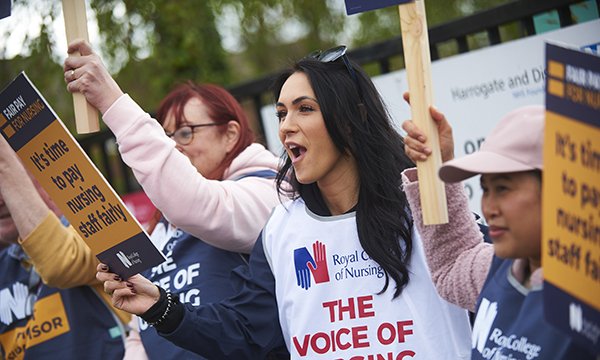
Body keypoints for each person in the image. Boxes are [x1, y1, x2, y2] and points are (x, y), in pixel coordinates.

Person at [95, 45, 472, 359]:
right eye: (281, 113)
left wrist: (442, 182)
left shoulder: (426, 207)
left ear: (351, 118)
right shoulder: (281, 229)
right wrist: (160, 307)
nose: (286, 125)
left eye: (304, 109)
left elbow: (494, 286)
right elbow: (244, 333)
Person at [64, 41, 284, 359]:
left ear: (231, 135)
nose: (174, 148)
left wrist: (111, 101)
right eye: (166, 137)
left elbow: (203, 205)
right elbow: (141, 331)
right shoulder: (162, 228)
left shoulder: (266, 192)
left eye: (185, 132)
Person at [401, 104, 597, 359]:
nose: (489, 207)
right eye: (485, 188)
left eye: (503, 188)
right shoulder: (500, 269)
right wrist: (435, 165)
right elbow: (453, 262)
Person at [0, 135, 129, 359]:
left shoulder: (101, 232)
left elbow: (60, 262)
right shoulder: (4, 267)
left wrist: (4, 163)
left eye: (10, 182)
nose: (2, 199)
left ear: (49, 175)